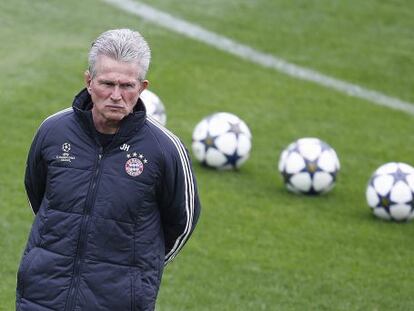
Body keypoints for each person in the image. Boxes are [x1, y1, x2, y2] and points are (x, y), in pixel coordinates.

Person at [16, 28, 201, 311]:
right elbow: (40, 197)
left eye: (127, 86)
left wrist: (137, 271)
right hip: (42, 295)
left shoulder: (165, 150)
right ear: (89, 82)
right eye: (107, 83)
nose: (116, 95)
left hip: (118, 301)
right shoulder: (53, 131)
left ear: (142, 88)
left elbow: (182, 223)